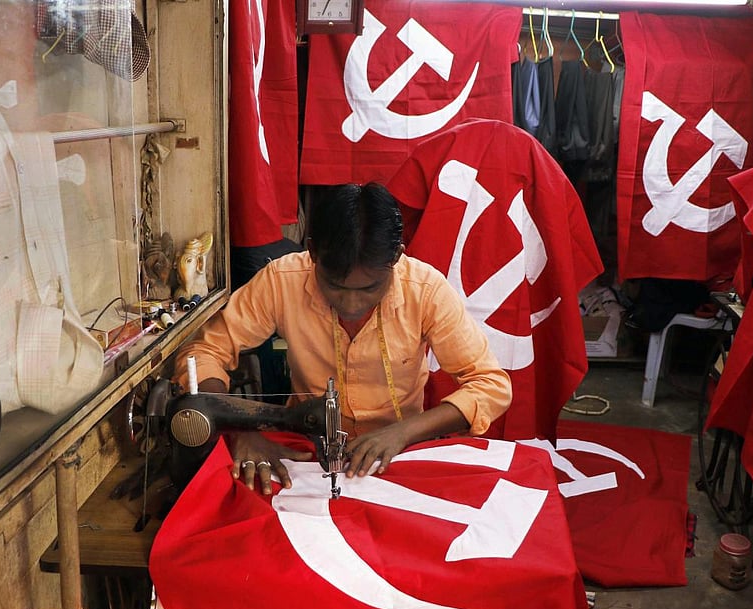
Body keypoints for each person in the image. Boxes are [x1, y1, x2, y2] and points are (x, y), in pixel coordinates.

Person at [172, 182, 512, 495]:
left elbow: (490, 385)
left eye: (369, 289)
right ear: (312, 253)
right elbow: (204, 351)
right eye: (334, 286)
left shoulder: (425, 291)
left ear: (396, 258)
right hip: (304, 450)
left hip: (400, 450)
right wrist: (238, 429)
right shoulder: (282, 280)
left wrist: (403, 432)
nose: (351, 303)